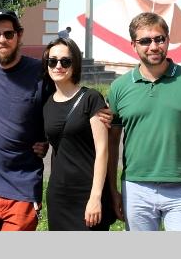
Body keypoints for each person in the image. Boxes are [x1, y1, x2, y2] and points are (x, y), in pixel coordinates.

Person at [0, 9, 113, 231]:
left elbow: (65, 97)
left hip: (22, 188)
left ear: (19, 35)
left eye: (8, 34)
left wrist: (98, 107)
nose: (2, 40)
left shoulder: (40, 72)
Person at [106, 11, 181, 231]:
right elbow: (110, 143)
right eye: (145, 41)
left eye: (159, 39)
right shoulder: (119, 88)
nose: (153, 46)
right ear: (133, 45)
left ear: (168, 40)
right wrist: (112, 190)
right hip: (135, 188)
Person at [41, 37, 114, 231]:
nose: (58, 66)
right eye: (52, 61)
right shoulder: (47, 103)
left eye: (65, 61)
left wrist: (95, 197)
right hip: (58, 195)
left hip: (87, 192)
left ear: (75, 64)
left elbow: (102, 151)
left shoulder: (91, 99)